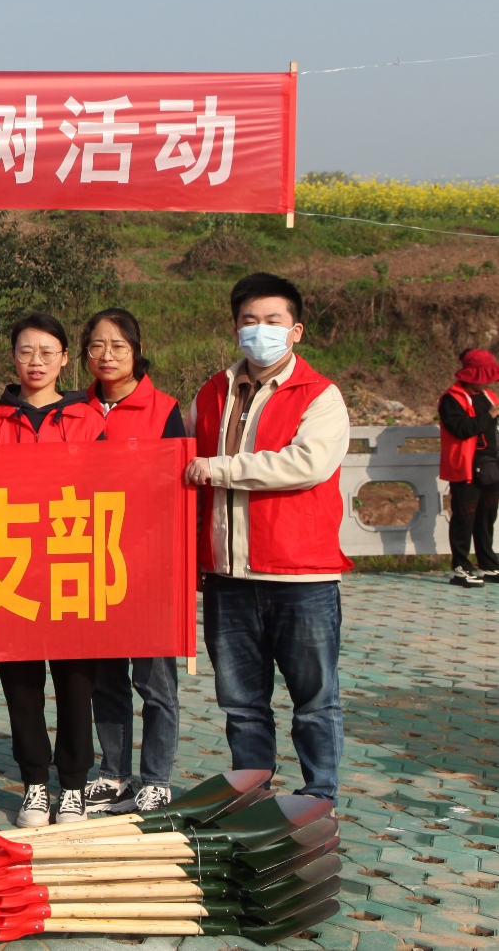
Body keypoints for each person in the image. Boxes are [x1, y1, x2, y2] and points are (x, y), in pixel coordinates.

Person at [186, 272, 350, 803]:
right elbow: (180, 462)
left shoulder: (320, 395)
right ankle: (251, 795)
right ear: (236, 328)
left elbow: (307, 464)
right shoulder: (212, 392)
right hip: (228, 577)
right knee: (240, 703)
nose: (260, 330)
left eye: (273, 321)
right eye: (249, 320)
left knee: (314, 700)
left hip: (300, 577)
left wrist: (219, 468)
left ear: (295, 330)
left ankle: (318, 796)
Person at [0, 314, 107, 827]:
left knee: (76, 682)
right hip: (11, 566)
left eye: (47, 352)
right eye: (26, 351)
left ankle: (73, 786)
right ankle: (34, 783)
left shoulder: (89, 419)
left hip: (72, 563)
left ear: (64, 359)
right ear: (13, 356)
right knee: (21, 682)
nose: (36, 362)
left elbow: (112, 486)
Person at [81, 307, 186, 815]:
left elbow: (176, 488)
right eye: (97, 346)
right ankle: (114, 773)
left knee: (154, 681)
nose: (107, 355)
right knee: (106, 679)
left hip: (147, 564)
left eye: (118, 345)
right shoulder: (74, 411)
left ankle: (157, 777)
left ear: (136, 351)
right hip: (89, 561)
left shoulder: (164, 410)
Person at [438, 348, 499, 587]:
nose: (489, 382)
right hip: (466, 467)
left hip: (491, 465)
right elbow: (461, 429)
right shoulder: (451, 399)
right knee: (464, 518)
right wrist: (489, 416)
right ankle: (461, 567)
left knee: (487, 516)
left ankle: (488, 563)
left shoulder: (489, 396)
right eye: (484, 377)